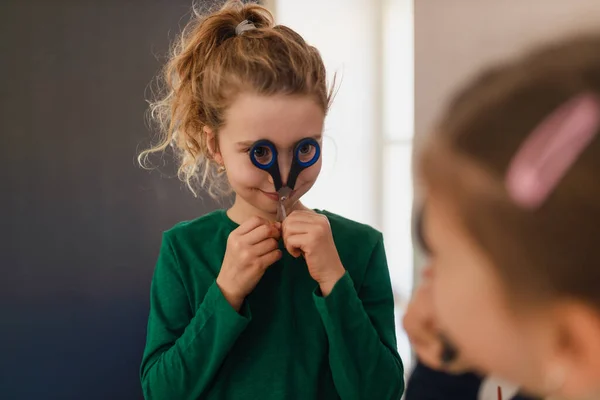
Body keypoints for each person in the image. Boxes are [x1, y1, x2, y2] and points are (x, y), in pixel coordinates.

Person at [137, 1, 404, 399]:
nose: (283, 177)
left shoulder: (359, 248)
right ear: (215, 145)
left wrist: (335, 280)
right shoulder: (185, 251)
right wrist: (225, 292)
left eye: (304, 148)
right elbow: (162, 392)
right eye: (259, 153)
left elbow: (380, 392)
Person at [407, 31, 600, 399]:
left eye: (442, 257)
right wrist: (456, 352)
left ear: (569, 342)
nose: (428, 276)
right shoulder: (561, 369)